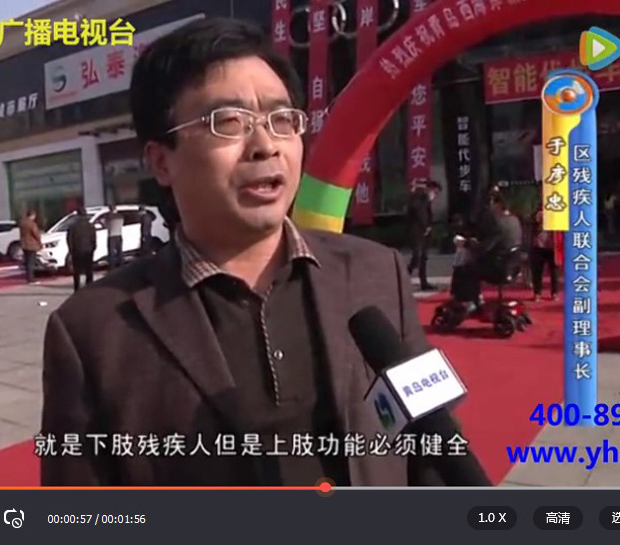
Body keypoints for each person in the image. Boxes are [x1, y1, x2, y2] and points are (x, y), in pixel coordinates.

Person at [40, 18, 490, 487]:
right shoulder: (93, 331)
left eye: (282, 120)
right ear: (160, 161)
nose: (265, 146)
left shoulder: (376, 272)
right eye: (228, 122)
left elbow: (428, 452)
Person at [453, 191, 522, 314]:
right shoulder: (514, 220)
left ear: (497, 204)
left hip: (499, 268)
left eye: (491, 203)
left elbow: (484, 248)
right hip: (514, 266)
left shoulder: (497, 223)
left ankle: (471, 302)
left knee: (466, 269)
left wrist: (466, 243)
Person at [406, 181, 440, 291]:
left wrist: (429, 227)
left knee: (423, 258)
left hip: (426, 232)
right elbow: (417, 210)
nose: (435, 195)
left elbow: (429, 215)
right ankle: (404, 276)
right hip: (416, 231)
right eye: (435, 192)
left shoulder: (427, 200)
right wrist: (425, 226)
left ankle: (424, 283)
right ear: (429, 189)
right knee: (417, 256)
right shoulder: (418, 196)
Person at [529, 208, 559, 302]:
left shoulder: (558, 213)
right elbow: (530, 225)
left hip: (553, 246)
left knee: (554, 272)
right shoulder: (536, 214)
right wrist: (537, 220)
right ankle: (537, 293)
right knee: (537, 271)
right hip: (538, 246)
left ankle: (554, 293)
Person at [67, 207, 96, 292]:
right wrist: (93, 247)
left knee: (77, 271)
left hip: (77, 250)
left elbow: (69, 239)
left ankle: (77, 288)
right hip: (88, 250)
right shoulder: (90, 226)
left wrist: (71, 250)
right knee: (89, 269)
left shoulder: (73, 226)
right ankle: (90, 286)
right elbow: (93, 238)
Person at [18, 210, 41, 283]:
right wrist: (40, 242)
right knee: (31, 262)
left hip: (24, 244)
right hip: (32, 245)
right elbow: (36, 234)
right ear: (32, 215)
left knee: (27, 262)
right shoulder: (32, 224)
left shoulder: (22, 223)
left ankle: (28, 278)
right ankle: (31, 279)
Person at [105, 204, 125, 269]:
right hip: (119, 235)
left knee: (111, 253)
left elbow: (106, 225)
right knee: (120, 252)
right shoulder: (120, 216)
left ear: (110, 209)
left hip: (111, 236)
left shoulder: (109, 216)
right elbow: (122, 224)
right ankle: (121, 266)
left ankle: (112, 267)